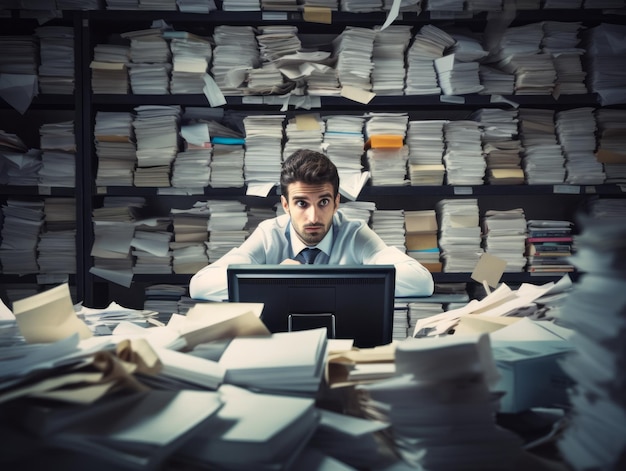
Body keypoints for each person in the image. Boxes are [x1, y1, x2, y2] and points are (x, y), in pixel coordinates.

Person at [189, 149, 434, 301]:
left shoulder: (354, 233)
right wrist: (271, 279)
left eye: (324, 202)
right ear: (285, 206)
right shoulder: (269, 234)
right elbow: (200, 285)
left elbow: (422, 282)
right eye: (302, 203)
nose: (314, 217)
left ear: (337, 202)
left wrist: (314, 281)